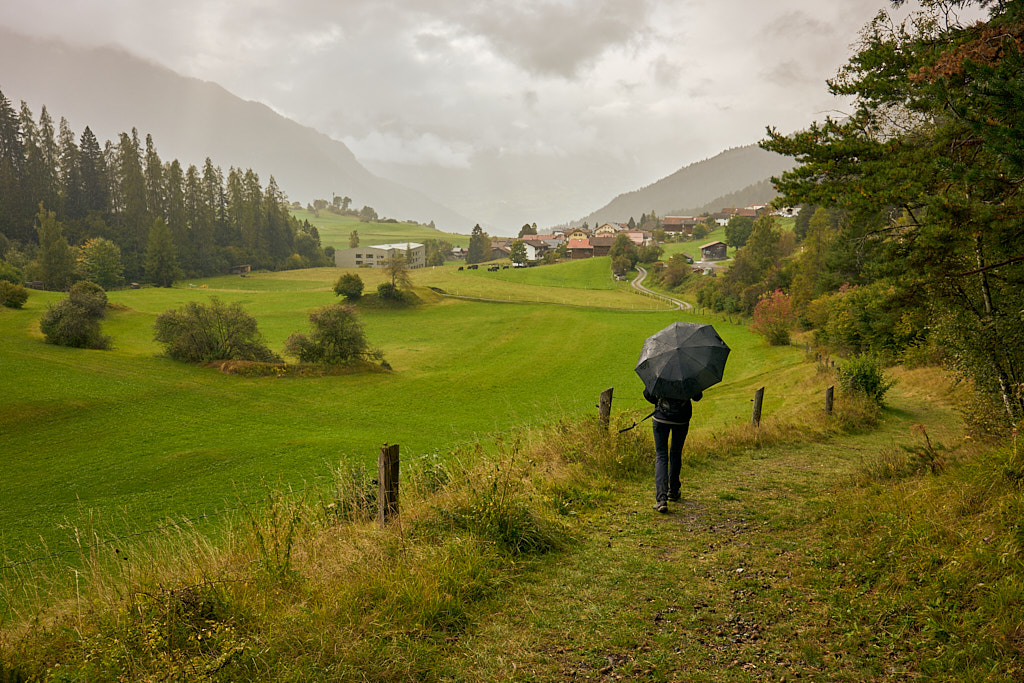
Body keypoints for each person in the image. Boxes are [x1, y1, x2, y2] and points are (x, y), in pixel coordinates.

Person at [643, 379, 702, 513]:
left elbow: (647, 394)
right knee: (675, 453)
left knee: (661, 455)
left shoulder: (659, 372)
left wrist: (659, 402)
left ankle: (661, 499)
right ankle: (673, 491)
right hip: (681, 419)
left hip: (660, 418)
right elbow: (697, 396)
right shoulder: (688, 373)